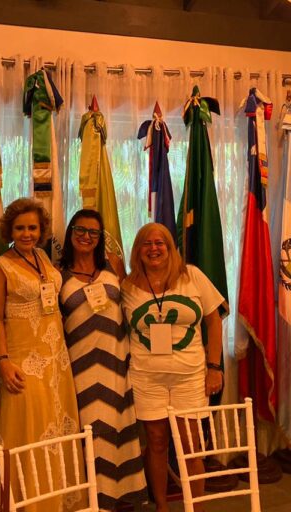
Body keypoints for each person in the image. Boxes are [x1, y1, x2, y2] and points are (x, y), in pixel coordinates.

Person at [0, 197, 84, 511]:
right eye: (20, 228)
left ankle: (55, 501)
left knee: (55, 425)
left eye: (32, 228)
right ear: (9, 231)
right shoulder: (1, 266)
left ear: (41, 230)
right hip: (22, 360)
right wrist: (3, 361)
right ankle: (24, 504)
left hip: (56, 360)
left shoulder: (42, 257)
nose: (27, 234)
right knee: (26, 429)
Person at [120, 223, 225, 512]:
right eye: (147, 243)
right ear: (138, 250)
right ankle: (162, 506)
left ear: (170, 248)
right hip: (147, 378)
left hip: (190, 377)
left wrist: (214, 367)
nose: (153, 248)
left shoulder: (191, 276)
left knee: (191, 446)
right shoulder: (127, 286)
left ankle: (196, 508)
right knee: (156, 442)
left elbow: (214, 320)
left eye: (160, 243)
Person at [59, 209, 148, 511]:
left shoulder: (113, 264)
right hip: (80, 363)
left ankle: (121, 497)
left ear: (100, 237)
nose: (86, 236)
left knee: (119, 428)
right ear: (70, 233)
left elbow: (132, 303)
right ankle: (96, 501)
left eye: (93, 232)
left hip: (116, 359)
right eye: (80, 230)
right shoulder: (57, 272)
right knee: (92, 431)